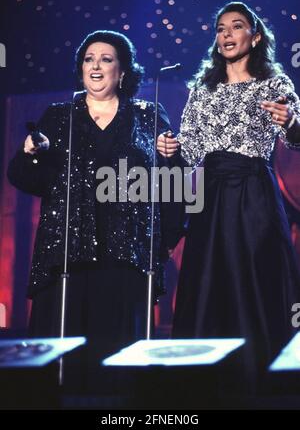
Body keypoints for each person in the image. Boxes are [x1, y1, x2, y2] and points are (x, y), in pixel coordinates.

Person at [7, 30, 178, 392]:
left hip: (127, 258)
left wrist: (171, 156)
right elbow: (23, 177)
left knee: (119, 363)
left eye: (106, 59)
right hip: (67, 254)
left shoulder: (149, 114)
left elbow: (173, 181)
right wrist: (30, 153)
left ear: (123, 70)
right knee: (64, 362)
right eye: (88, 59)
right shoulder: (58, 116)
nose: (96, 66)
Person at [157, 2, 300, 389]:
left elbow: (296, 138)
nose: (227, 34)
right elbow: (189, 149)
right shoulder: (203, 89)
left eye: (236, 27)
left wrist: (291, 121)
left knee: (255, 272)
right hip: (212, 195)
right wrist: (170, 148)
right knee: (208, 278)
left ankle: (262, 374)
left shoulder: (275, 84)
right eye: (221, 28)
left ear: (254, 36)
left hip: (254, 191)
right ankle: (206, 381)